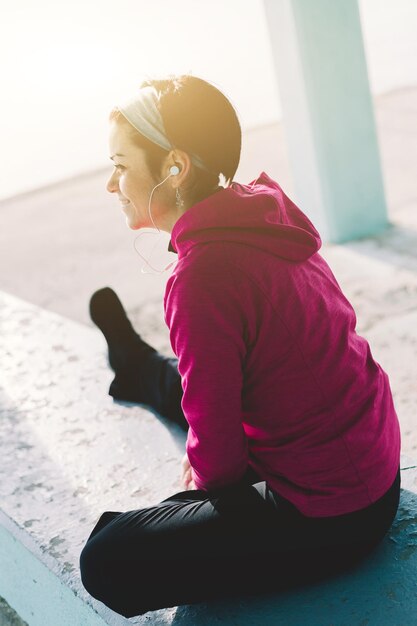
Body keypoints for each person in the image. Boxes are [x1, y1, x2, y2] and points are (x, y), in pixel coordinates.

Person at [79, 74, 401, 618]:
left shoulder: (202, 275)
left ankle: (137, 367)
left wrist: (199, 480)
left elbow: (221, 465)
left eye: (121, 165)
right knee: (196, 379)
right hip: (376, 469)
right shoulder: (263, 215)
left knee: (107, 558)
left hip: (331, 516)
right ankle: (136, 365)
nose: (113, 185)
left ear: (174, 167)